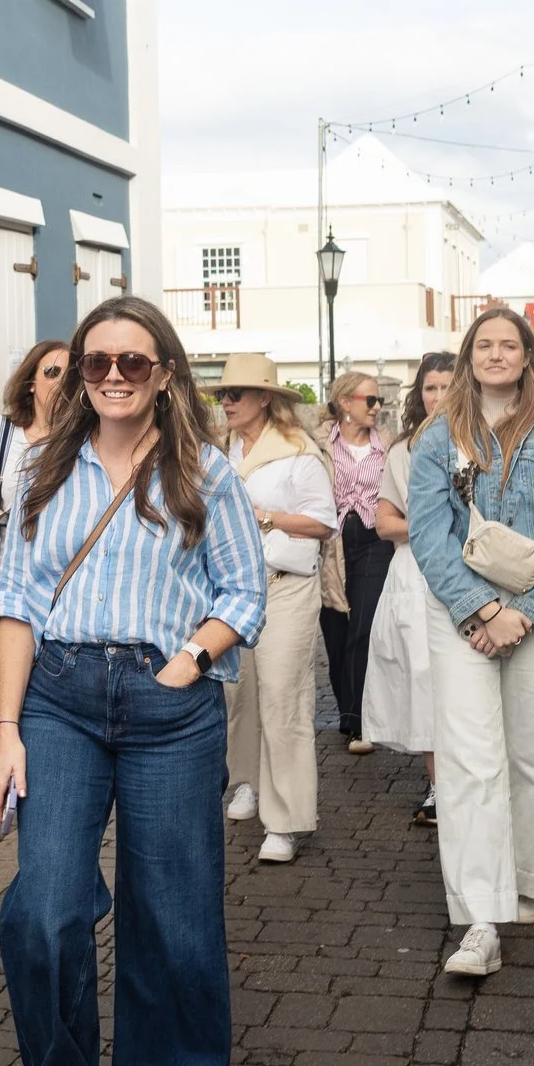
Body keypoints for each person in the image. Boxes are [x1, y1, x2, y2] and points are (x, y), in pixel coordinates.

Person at [0, 298, 266, 1066]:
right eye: (96, 361)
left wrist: (191, 660)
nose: (112, 375)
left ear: (166, 375)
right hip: (59, 700)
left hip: (165, 701)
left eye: (133, 363)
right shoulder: (40, 465)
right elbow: (17, 601)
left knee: (171, 907)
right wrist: (5, 730)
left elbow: (243, 589)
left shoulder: (205, 472)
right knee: (45, 906)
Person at [409, 310, 534, 977]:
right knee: (469, 757)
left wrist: (529, 612)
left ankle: (521, 881)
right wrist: (483, 608)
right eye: (483, 344)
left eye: (506, 344)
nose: (494, 354)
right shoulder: (438, 436)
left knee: (528, 753)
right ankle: (480, 919)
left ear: (526, 355)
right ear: (468, 356)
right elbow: (428, 535)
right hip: (461, 610)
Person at [213, 354, 337, 864]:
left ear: (265, 398)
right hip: (230, 589)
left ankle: (285, 820)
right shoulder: (218, 450)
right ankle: (245, 782)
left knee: (283, 697)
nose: (227, 402)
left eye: (237, 393)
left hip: (284, 585)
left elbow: (324, 521)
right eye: (223, 394)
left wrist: (264, 516)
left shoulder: (299, 452)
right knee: (237, 694)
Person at [361, 352, 454, 826]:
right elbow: (383, 522)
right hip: (413, 576)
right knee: (422, 680)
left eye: (446, 386)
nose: (437, 396)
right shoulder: (403, 450)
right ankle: (439, 786)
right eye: (430, 388)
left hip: (466, 574)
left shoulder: (481, 441)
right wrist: (435, 524)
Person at [319, 371, 393, 756]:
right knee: (335, 628)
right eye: (370, 400)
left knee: (363, 626)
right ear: (345, 401)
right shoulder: (318, 445)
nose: (377, 407)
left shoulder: (389, 446)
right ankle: (347, 710)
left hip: (373, 540)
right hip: (329, 543)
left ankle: (359, 719)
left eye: (379, 401)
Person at [0, 339, 70, 532]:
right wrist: (6, 521)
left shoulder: (88, 437)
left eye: (71, 376)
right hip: (12, 558)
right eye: (52, 372)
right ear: (31, 384)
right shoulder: (1, 431)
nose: (62, 382)